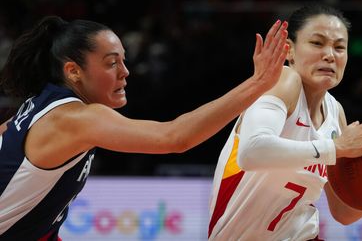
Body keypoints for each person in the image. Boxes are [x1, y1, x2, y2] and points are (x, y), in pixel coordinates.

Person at [0, 15, 289, 240]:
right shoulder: (77, 118)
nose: (125, 72)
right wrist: (258, 84)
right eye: (112, 63)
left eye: (123, 60)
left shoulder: (40, 107)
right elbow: (175, 137)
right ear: (73, 71)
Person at [208, 4, 362, 241]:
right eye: (317, 43)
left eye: (340, 47)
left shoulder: (334, 112)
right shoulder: (282, 82)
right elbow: (251, 152)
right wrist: (336, 148)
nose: (330, 54)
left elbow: (342, 212)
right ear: (289, 51)